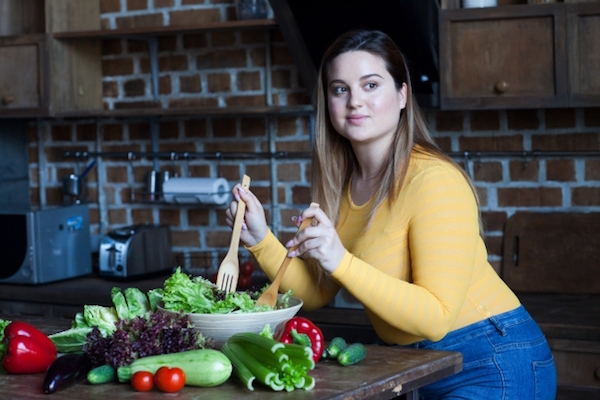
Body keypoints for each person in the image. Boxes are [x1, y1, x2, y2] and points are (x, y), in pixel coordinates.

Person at [225, 29, 557, 399]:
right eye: (340, 89)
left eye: (370, 85)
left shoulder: (433, 180)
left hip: (491, 359)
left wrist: (341, 260)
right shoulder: (345, 187)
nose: (354, 102)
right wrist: (259, 238)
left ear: (402, 95)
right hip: (419, 364)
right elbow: (317, 292)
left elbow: (436, 317)